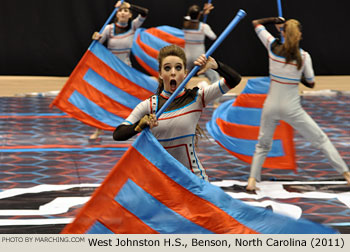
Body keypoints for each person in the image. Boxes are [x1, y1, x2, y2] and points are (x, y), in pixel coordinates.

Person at [246, 17, 350, 190]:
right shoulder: (304, 56)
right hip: (292, 109)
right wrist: (296, 72)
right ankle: (347, 175)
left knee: (262, 145)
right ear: (299, 35)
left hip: (270, 106)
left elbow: (256, 23)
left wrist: (275, 21)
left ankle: (251, 180)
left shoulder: (272, 46)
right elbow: (311, 83)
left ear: (283, 32)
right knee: (320, 140)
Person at [113, 44, 241, 181]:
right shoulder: (149, 105)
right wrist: (139, 125)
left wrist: (217, 66)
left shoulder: (197, 97)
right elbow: (118, 134)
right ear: (161, 74)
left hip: (194, 180)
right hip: (161, 182)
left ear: (185, 73)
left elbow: (234, 80)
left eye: (178, 68)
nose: (173, 72)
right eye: (167, 68)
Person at [89, 0, 149, 140]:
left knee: (132, 101)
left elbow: (145, 12)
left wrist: (130, 5)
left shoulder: (133, 26)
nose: (123, 12)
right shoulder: (109, 28)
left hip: (127, 71)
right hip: (110, 71)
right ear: (116, 13)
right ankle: (99, 130)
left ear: (130, 15)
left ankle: (135, 129)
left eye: (126, 11)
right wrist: (95, 38)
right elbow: (97, 44)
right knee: (104, 100)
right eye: (121, 10)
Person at [183, 3, 221, 93]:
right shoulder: (204, 27)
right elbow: (213, 37)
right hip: (199, 57)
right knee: (214, 76)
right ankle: (215, 99)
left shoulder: (185, 24)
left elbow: (191, 16)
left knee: (183, 78)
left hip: (186, 56)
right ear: (199, 15)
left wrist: (203, 12)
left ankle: (180, 95)